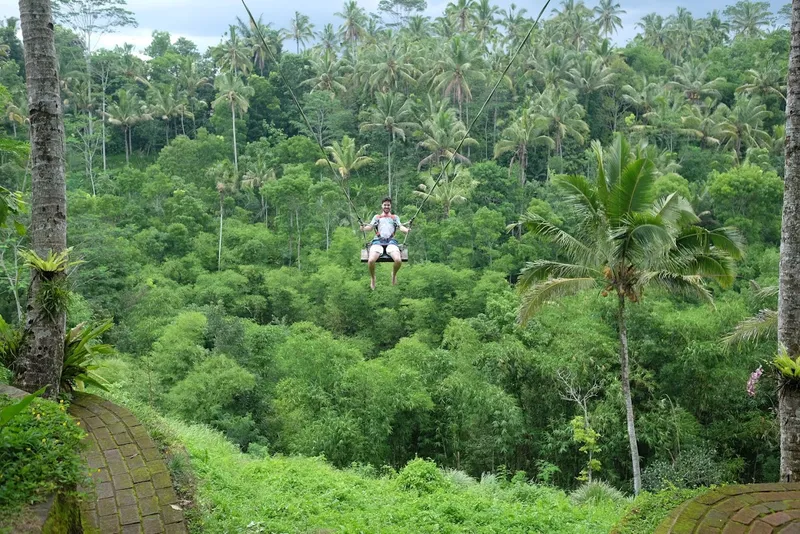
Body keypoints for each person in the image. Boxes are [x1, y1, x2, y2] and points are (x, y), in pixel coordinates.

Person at [360, 197, 410, 290]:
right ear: (382, 206)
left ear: (390, 206)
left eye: (388, 205)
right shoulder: (377, 217)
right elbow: (370, 227)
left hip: (391, 242)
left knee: (398, 260)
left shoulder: (395, 218)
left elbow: (401, 227)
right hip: (377, 242)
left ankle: (394, 275)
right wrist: (363, 228)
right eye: (385, 205)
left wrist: (406, 230)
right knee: (371, 261)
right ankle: (373, 278)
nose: (387, 206)